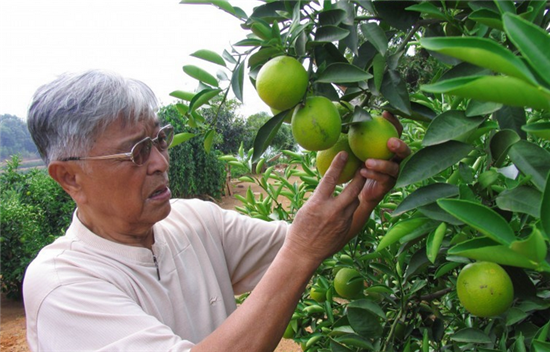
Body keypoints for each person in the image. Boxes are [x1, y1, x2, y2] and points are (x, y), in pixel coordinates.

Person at [23, 69, 410, 352]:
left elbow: (314, 238)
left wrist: (365, 190)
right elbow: (302, 248)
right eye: (137, 151)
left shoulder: (193, 220)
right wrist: (303, 250)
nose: (160, 161)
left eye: (160, 140)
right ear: (70, 177)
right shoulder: (63, 286)